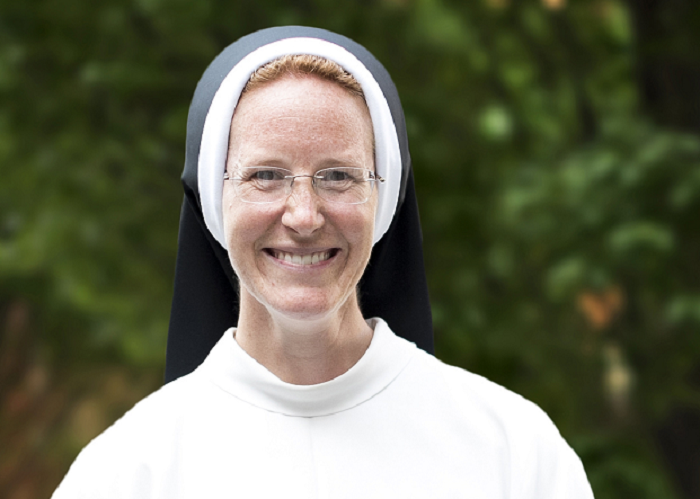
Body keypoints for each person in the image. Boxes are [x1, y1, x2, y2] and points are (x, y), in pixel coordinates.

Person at [52, 27, 594, 498]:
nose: (304, 216)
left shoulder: (511, 451)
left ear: (383, 198)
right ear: (215, 199)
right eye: (265, 175)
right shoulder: (126, 473)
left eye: (338, 176)